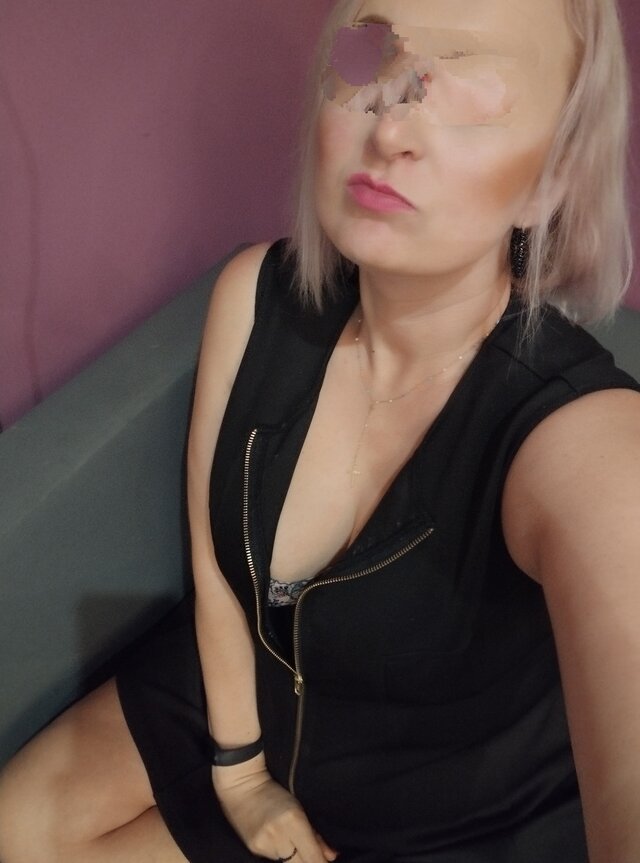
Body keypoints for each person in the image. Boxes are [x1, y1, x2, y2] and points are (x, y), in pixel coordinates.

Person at [1, 0, 640, 860]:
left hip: (428, 800)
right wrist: (240, 773)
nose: (391, 129)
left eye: (470, 87)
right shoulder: (254, 296)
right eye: (374, 57)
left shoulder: (582, 441)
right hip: (254, 687)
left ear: (550, 181)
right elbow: (217, 566)